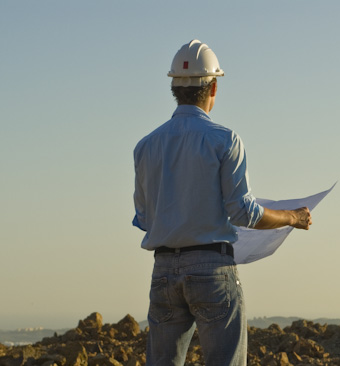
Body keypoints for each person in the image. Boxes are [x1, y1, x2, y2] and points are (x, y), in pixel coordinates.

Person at [132, 39, 312, 366]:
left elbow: (144, 218)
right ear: (213, 87)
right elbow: (243, 212)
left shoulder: (145, 146)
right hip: (212, 270)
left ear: (174, 87)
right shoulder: (225, 141)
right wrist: (290, 217)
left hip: (163, 271)